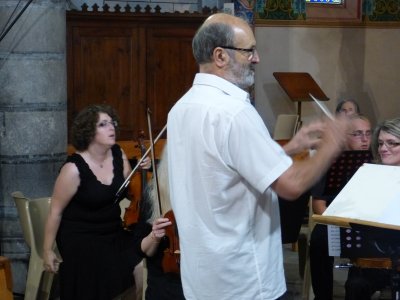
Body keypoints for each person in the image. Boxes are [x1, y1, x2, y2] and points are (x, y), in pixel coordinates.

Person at [167, 13, 349, 299]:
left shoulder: (180, 109)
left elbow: (224, 167)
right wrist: (331, 145)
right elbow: (291, 185)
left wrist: (290, 147)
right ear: (220, 56)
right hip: (245, 280)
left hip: (203, 278)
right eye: (249, 50)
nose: (257, 58)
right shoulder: (235, 112)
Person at [43, 104, 150, 300]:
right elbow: (55, 212)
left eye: (112, 123)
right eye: (103, 124)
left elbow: (127, 192)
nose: (112, 128)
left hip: (112, 230)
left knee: (143, 252)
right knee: (104, 264)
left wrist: (143, 169)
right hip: (80, 236)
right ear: (89, 132)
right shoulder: (73, 169)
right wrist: (47, 249)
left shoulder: (118, 154)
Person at [309, 114, 373, 300]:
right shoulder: (329, 163)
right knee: (319, 241)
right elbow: (318, 205)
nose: (364, 139)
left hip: (364, 222)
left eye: (368, 134)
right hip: (335, 220)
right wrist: (338, 223)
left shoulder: (376, 161)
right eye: (358, 134)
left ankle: (355, 291)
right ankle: (323, 296)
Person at [344, 117, 400, 300]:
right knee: (356, 284)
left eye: (392, 143)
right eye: (381, 143)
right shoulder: (368, 175)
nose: (383, 149)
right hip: (373, 256)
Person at [134, 145, 185, 300]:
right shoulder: (152, 196)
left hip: (199, 282)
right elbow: (143, 250)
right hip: (165, 284)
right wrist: (154, 236)